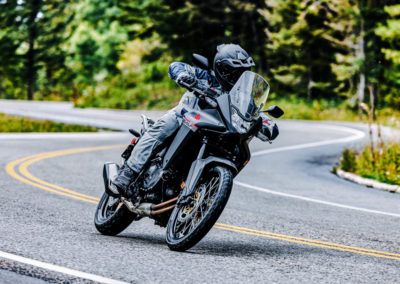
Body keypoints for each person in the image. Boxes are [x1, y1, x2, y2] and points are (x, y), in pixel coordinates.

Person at [111, 43, 278, 197]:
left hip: (216, 130)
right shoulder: (206, 76)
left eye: (243, 71)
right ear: (221, 68)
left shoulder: (242, 96)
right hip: (184, 117)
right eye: (234, 71)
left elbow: (255, 112)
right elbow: (176, 66)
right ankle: (128, 172)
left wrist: (268, 124)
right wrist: (183, 75)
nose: (238, 75)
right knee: (162, 127)